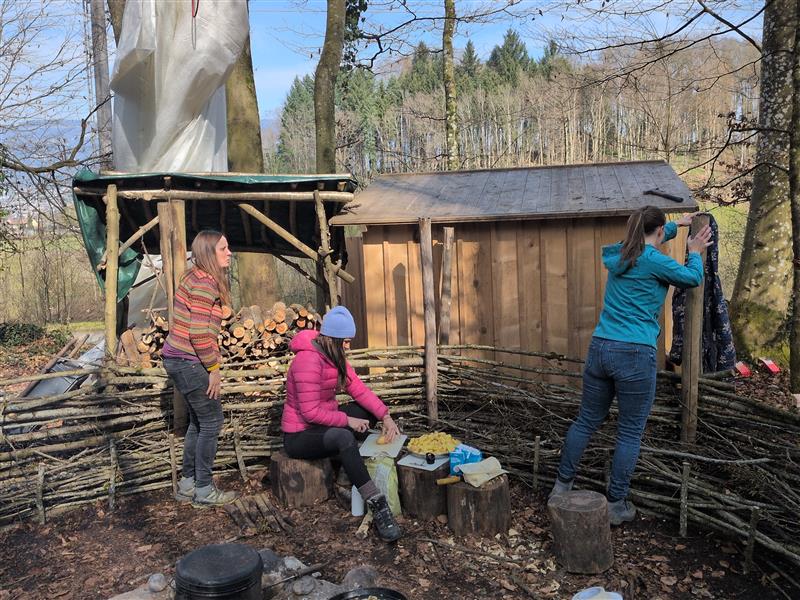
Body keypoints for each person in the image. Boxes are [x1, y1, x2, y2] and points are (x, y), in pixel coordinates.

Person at [550, 207, 712, 525]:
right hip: (635, 354)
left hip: (601, 347)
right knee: (629, 432)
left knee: (585, 421)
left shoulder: (621, 254)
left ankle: (560, 487)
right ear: (654, 232)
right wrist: (693, 252)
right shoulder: (654, 261)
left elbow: (650, 237)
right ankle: (615, 505)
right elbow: (693, 278)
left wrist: (674, 225)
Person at [281, 306, 403, 542]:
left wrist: (386, 416)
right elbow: (309, 413)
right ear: (333, 339)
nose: (348, 347)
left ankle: (348, 466)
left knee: (366, 410)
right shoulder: (307, 360)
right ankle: (377, 504)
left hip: (323, 424)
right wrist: (347, 420)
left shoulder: (334, 357)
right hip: (300, 435)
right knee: (344, 437)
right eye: (346, 342)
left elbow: (359, 390)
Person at [162, 230, 238, 508]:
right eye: (223, 249)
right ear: (208, 253)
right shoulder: (205, 283)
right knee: (211, 422)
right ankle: (204, 490)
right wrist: (214, 368)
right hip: (188, 359)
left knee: (198, 421)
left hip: (177, 359)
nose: (229, 253)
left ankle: (187, 485)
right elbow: (198, 334)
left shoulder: (194, 277)